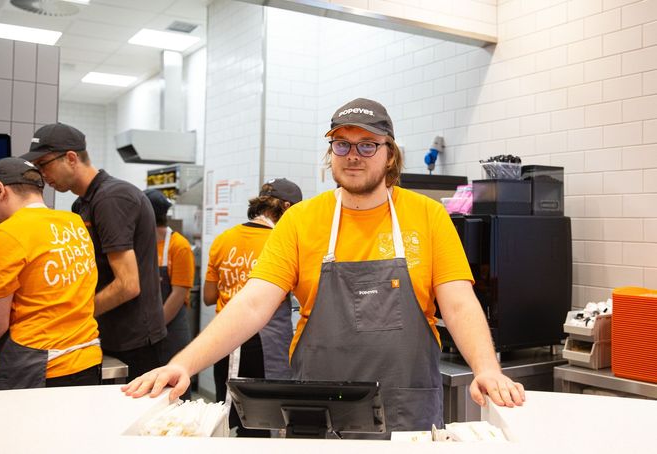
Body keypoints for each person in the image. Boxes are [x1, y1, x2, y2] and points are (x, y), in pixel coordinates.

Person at [123, 98, 525, 437]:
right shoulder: (302, 220)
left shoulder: (428, 216)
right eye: (342, 144)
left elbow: (458, 303)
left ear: (390, 155)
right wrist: (184, 364)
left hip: (408, 407)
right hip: (316, 409)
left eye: (368, 145)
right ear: (330, 152)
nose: (353, 155)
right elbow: (252, 305)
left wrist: (487, 369)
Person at [20, 123, 167, 382]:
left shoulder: (112, 198)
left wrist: (74, 314)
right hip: (108, 332)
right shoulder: (84, 203)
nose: (42, 175)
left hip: (133, 340)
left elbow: (128, 284)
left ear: (71, 158)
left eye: (44, 164)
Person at [0, 157, 101, 390]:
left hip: (38, 368)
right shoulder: (74, 224)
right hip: (87, 360)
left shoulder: (5, 234)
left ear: (0, 190)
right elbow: (50, 288)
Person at [203, 178, 302, 437]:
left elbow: (209, 296)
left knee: (230, 417)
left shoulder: (224, 239)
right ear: (287, 207)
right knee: (264, 420)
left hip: (224, 343)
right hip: (263, 346)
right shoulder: (281, 242)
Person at [144, 189, 195, 400]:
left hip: (170, 330)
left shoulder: (178, 245)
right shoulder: (142, 243)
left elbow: (178, 293)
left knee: (175, 391)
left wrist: (154, 327)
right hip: (146, 330)